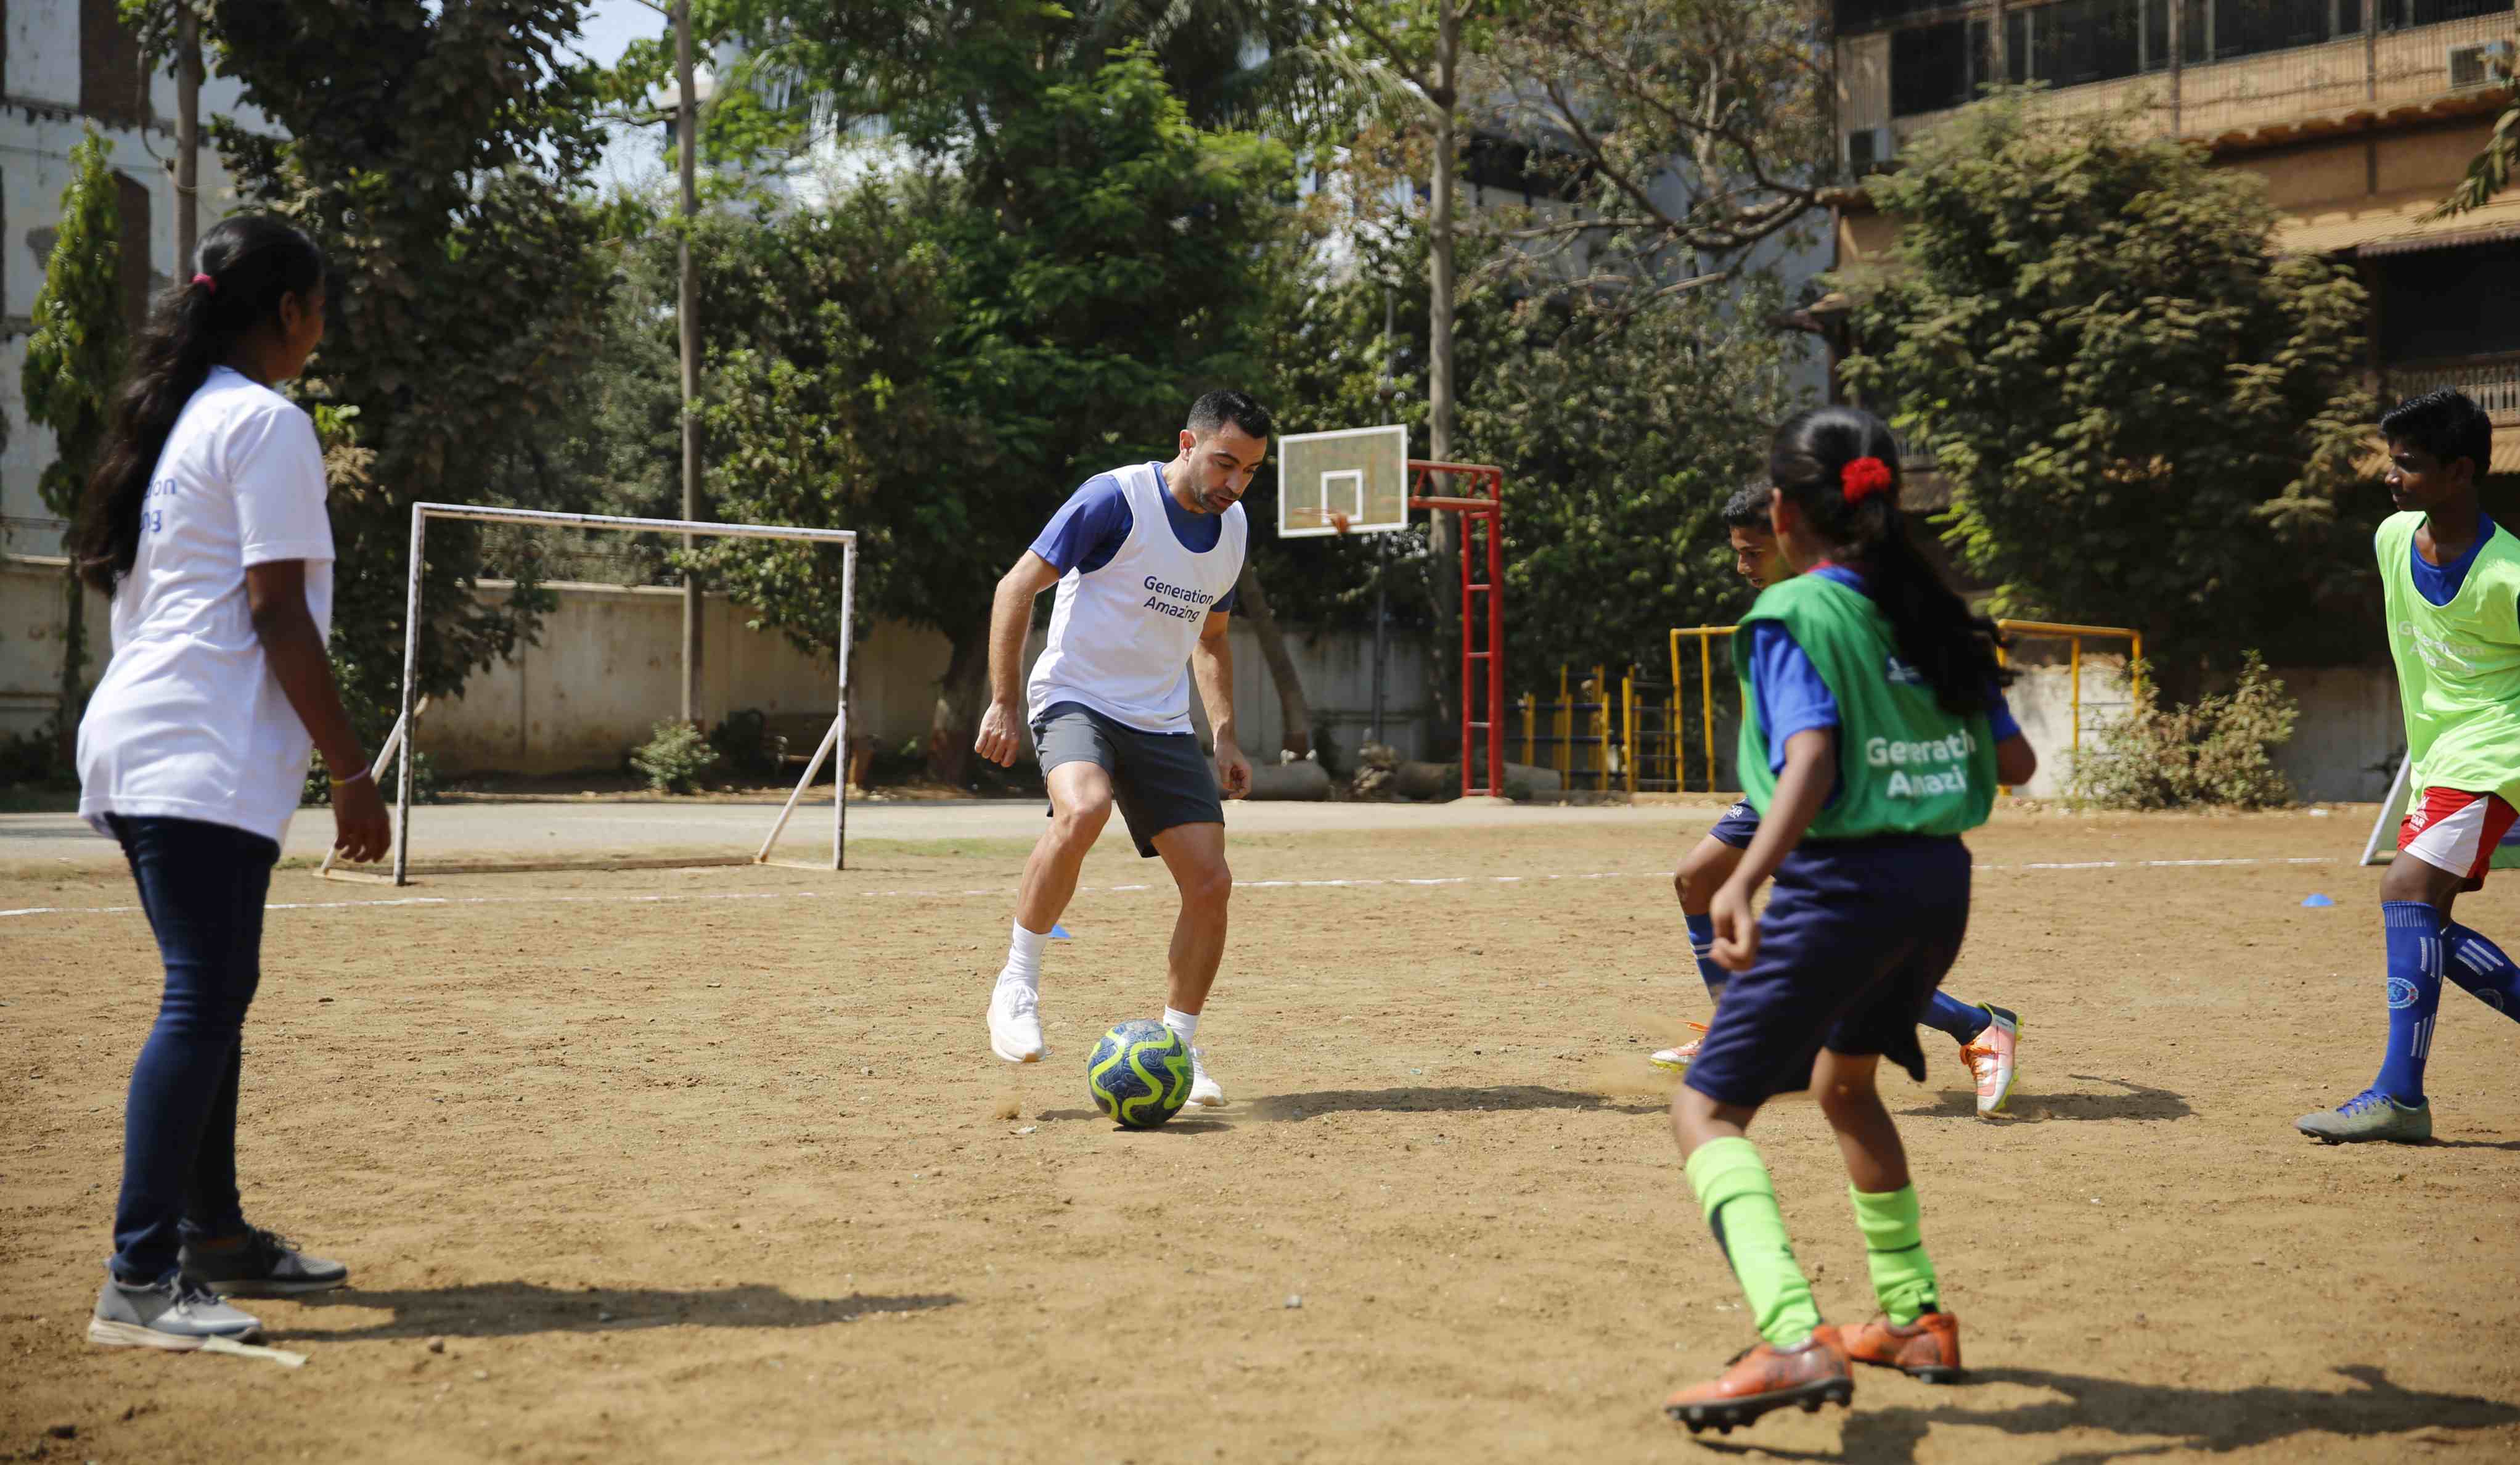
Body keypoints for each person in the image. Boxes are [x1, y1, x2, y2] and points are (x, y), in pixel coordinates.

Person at [1661, 407, 2038, 1434]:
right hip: (1936, 886)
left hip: (1842, 890)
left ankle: (1788, 1335)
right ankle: (1913, 1318)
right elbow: (2015, 764)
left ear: (1784, 512)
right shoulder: (1931, 611)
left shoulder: (1794, 616)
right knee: (1844, 1088)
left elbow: (1812, 759)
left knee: (1704, 1111)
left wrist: (1744, 880)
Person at [72, 215, 392, 1350]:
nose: (323, 327)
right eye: (321, 308)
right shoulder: (264, 422)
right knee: (203, 999)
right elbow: (274, 611)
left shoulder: (181, 419)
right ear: (292, 314)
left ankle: (212, 1235)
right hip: (190, 755)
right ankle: (141, 1276)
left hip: (146, 741)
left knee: (216, 993)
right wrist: (353, 770)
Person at [1651, 485, 2027, 1122]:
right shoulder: (1784, 611)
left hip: (1836, 797)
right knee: (1696, 880)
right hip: (1785, 787)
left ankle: (1976, 1027)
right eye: (1736, 554)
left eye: (1752, 553)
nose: (1741, 568)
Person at [973, 390, 1270, 1107]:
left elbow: (1212, 638)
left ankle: (1179, 1048)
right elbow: (1016, 587)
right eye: (1225, 462)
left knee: (1210, 883)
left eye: (1251, 471)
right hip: (1077, 698)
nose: (1234, 483)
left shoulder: (1231, 533)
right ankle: (1016, 982)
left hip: (1160, 722)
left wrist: (1224, 731)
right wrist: (1005, 702)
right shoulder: (1114, 499)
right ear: (1186, 443)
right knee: (1083, 810)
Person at [2297, 387, 2520, 1144]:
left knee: (2404, 886)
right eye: (2391, 464)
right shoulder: (2392, 539)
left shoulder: (2508, 575)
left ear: (2460, 472)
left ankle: (2399, 1096)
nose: (2391, 479)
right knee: (2422, 921)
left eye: (2410, 466)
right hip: (2436, 759)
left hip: (2495, 753)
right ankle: (2399, 1098)